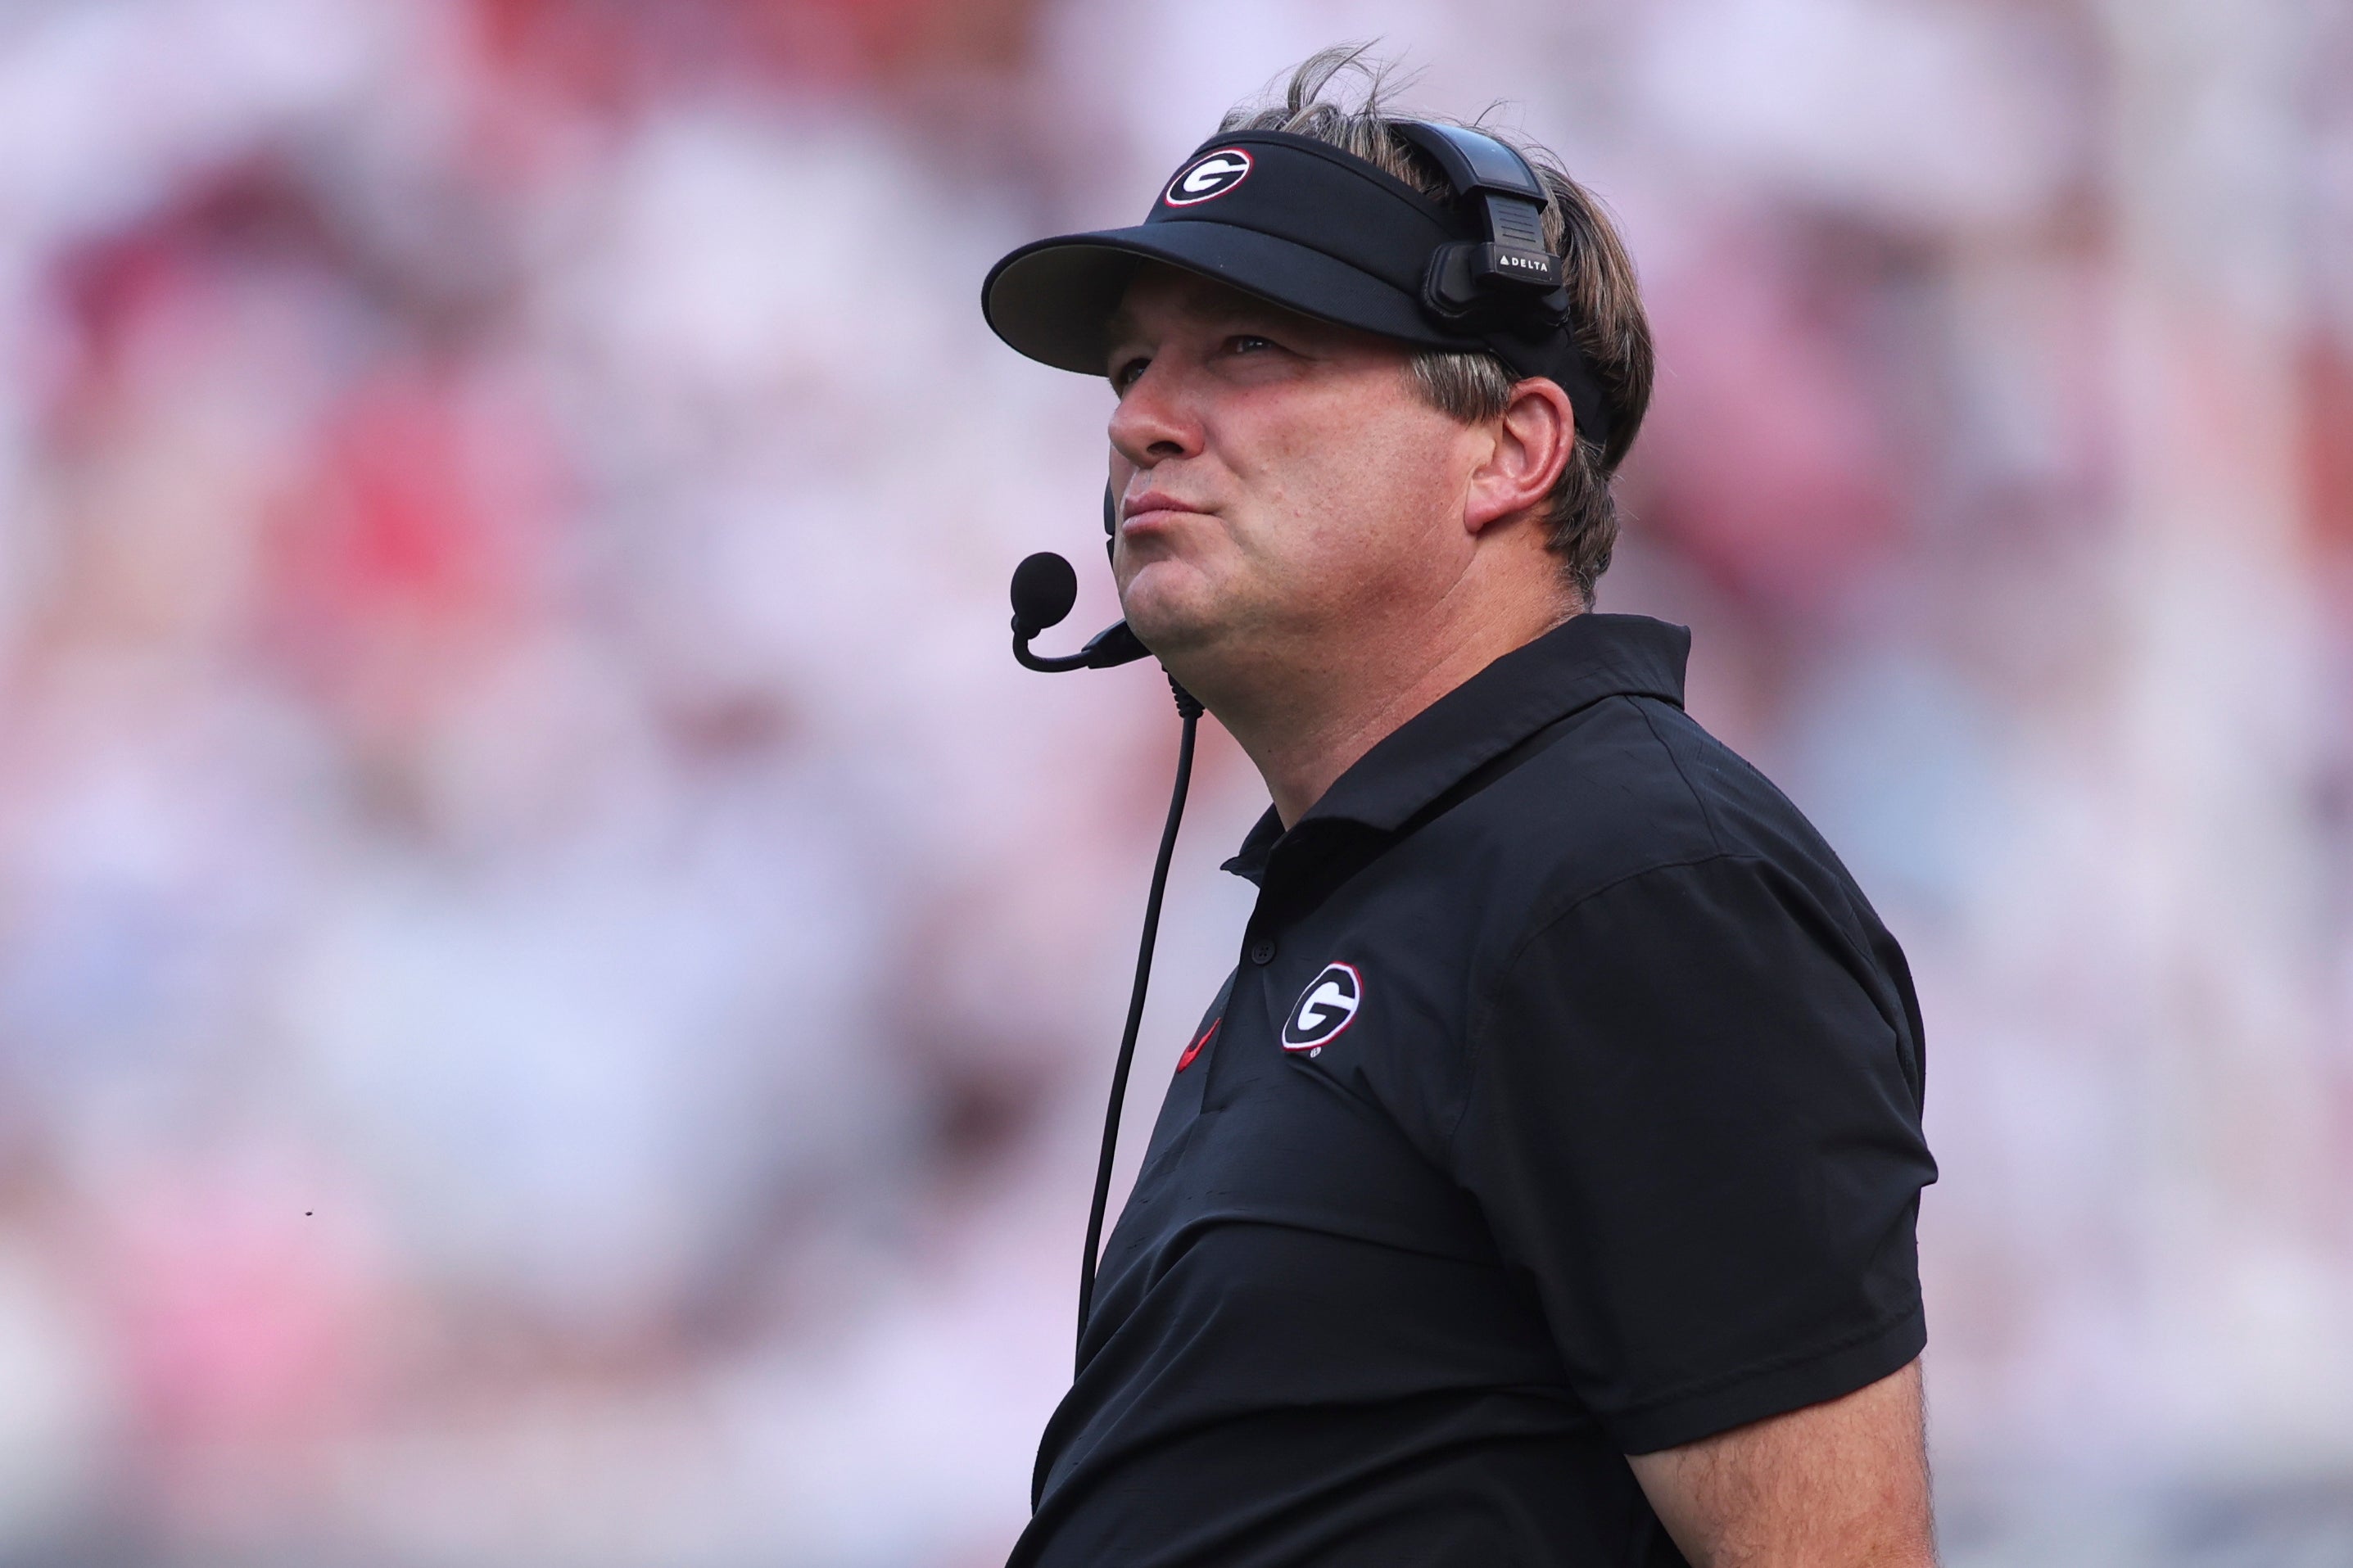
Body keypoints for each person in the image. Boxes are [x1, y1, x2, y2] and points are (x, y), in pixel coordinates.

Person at [980, 47, 1939, 1568]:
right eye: (1126, 370)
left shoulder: (1627, 879)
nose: (1139, 421)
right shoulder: (1402, 885)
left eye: (1242, 346)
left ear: (1510, 448)